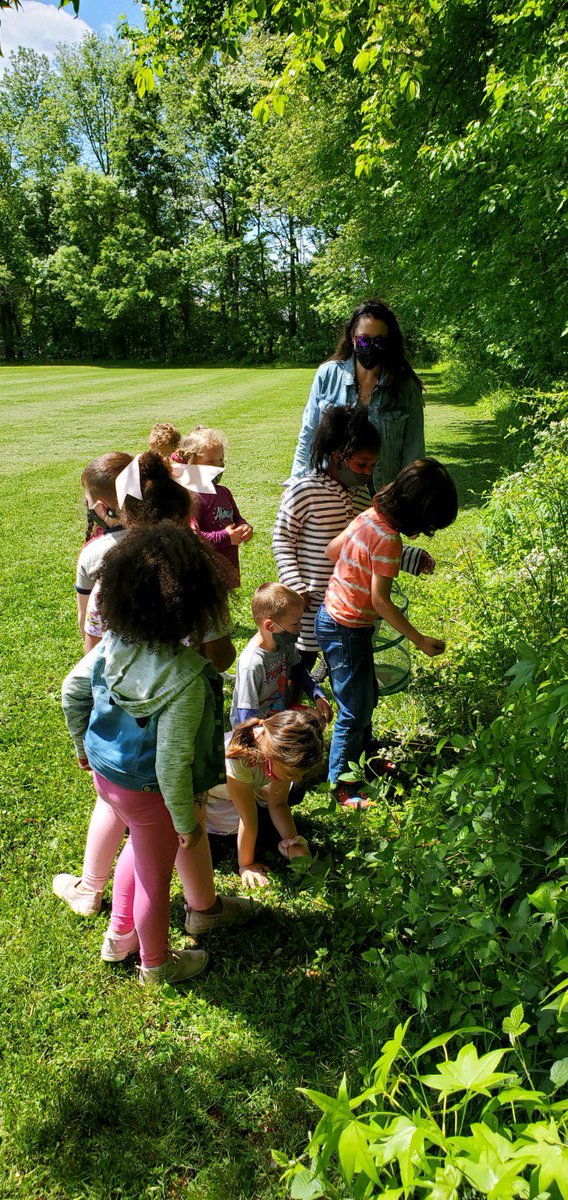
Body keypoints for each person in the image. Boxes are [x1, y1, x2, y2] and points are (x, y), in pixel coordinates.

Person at [59, 523, 253, 986]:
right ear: (197, 604)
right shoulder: (187, 676)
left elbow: (72, 690)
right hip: (156, 793)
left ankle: (119, 936)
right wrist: (187, 822)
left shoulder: (113, 642)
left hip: (108, 776)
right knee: (154, 875)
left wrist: (81, 747)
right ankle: (156, 964)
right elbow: (170, 763)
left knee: (139, 852)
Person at [315, 458, 458, 807]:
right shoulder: (389, 540)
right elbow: (380, 601)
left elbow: (332, 551)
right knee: (354, 709)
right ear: (416, 515)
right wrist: (419, 639)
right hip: (347, 628)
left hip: (331, 618)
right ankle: (342, 785)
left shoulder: (368, 517)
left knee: (365, 697)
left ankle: (365, 755)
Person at [273, 407, 433, 669]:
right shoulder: (304, 491)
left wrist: (411, 557)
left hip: (343, 606)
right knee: (301, 661)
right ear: (338, 457)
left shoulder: (360, 498)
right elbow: (282, 539)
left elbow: (372, 546)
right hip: (308, 599)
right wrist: (293, 583)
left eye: (372, 465)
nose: (367, 472)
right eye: (361, 464)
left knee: (340, 659)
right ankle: (291, 705)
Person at [82, 451, 236, 671]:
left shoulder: (110, 579)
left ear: (127, 515)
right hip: (187, 700)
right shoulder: (199, 577)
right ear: (185, 513)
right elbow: (220, 659)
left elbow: (93, 656)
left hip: (123, 700)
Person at [290, 299, 425, 492]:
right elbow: (309, 434)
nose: (370, 346)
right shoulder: (327, 375)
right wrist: (296, 484)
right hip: (329, 494)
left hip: (382, 497)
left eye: (379, 341)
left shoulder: (405, 387)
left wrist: (408, 499)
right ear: (353, 338)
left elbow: (414, 450)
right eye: (364, 339)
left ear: (389, 343)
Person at [205, 711, 324, 890]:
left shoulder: (278, 755)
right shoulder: (238, 758)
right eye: (292, 774)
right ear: (275, 756)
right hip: (212, 799)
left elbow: (278, 803)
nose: (297, 778)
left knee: (294, 792)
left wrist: (293, 843)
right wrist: (246, 865)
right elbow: (248, 818)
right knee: (238, 832)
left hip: (245, 792)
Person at [230, 582, 333, 729]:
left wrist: (316, 694)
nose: (300, 628)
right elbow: (246, 715)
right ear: (270, 626)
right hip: (255, 729)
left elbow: (299, 672)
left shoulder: (285, 644)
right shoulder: (252, 664)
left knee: (316, 719)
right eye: (295, 624)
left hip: (276, 716)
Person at [172, 425, 253, 589]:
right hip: (202, 579)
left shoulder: (224, 493)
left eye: (221, 460)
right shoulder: (192, 497)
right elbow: (190, 537)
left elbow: (236, 518)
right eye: (210, 462)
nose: (218, 466)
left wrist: (245, 527)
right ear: (192, 462)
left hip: (224, 572)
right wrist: (225, 537)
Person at [75, 452, 133, 642]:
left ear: (101, 507)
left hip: (114, 663)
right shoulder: (171, 537)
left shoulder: (92, 554)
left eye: (88, 500)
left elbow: (86, 622)